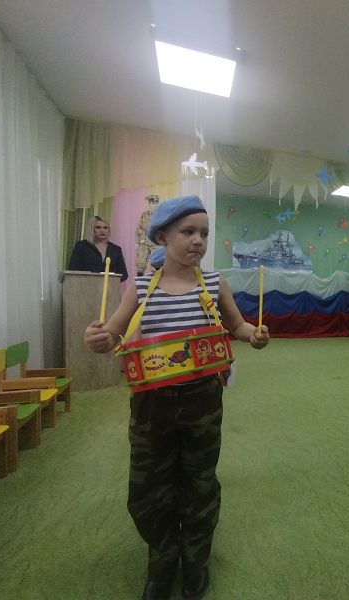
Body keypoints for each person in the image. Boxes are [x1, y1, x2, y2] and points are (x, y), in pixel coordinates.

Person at [84, 196, 269, 600]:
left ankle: (195, 560)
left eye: (204, 233)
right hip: (152, 405)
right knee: (148, 487)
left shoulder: (214, 284)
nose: (198, 240)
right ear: (162, 237)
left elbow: (237, 326)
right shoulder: (140, 287)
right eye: (188, 231)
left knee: (199, 483)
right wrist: (100, 338)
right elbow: (113, 333)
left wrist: (253, 334)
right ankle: (162, 560)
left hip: (202, 402)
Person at [67, 215, 129, 281]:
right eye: (98, 227)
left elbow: (124, 274)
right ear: (92, 229)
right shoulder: (82, 246)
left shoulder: (115, 249)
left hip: (108, 286)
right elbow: (73, 270)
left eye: (105, 228)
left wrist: (111, 280)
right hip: (85, 284)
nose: (102, 230)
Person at [135, 194, 160, 276]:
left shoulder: (160, 215)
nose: (155, 205)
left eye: (156, 203)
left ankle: (155, 278)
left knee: (156, 262)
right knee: (141, 262)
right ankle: (140, 278)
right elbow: (139, 228)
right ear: (149, 204)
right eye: (153, 203)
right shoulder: (144, 215)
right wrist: (137, 242)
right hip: (144, 241)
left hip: (155, 241)